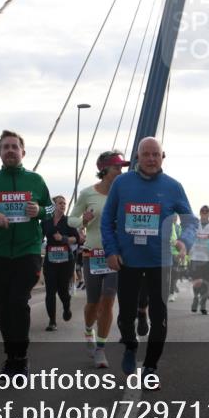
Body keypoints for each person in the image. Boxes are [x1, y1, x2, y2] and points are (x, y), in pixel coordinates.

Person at [101, 137, 197, 385]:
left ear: (162, 157)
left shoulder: (173, 187)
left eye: (156, 154)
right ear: (137, 157)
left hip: (160, 262)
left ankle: (151, 368)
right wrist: (111, 251)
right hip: (128, 262)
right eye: (146, 154)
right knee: (125, 316)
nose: (151, 158)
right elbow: (106, 220)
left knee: (159, 315)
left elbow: (191, 221)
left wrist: (185, 241)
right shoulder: (122, 183)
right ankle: (130, 346)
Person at [0, 130, 52, 374]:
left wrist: (38, 210)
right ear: (0, 153)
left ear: (23, 152)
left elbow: (49, 209)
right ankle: (11, 355)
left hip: (28, 252)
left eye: (14, 147)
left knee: (18, 301)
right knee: (3, 307)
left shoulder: (36, 181)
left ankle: (21, 356)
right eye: (5, 147)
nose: (10, 151)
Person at [70, 150, 129, 368]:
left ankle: (101, 349)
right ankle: (88, 331)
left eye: (122, 168)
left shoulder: (124, 193)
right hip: (92, 254)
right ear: (104, 170)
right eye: (117, 167)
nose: (121, 171)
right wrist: (82, 220)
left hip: (114, 255)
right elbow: (71, 220)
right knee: (93, 305)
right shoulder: (87, 194)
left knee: (108, 301)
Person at [42, 195, 78, 330]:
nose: (63, 205)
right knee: (50, 291)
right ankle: (52, 321)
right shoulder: (45, 222)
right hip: (50, 261)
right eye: (60, 203)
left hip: (66, 262)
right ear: (54, 205)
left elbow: (77, 238)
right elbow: (38, 236)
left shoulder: (69, 222)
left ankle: (67, 308)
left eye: (64, 203)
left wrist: (63, 238)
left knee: (63, 290)